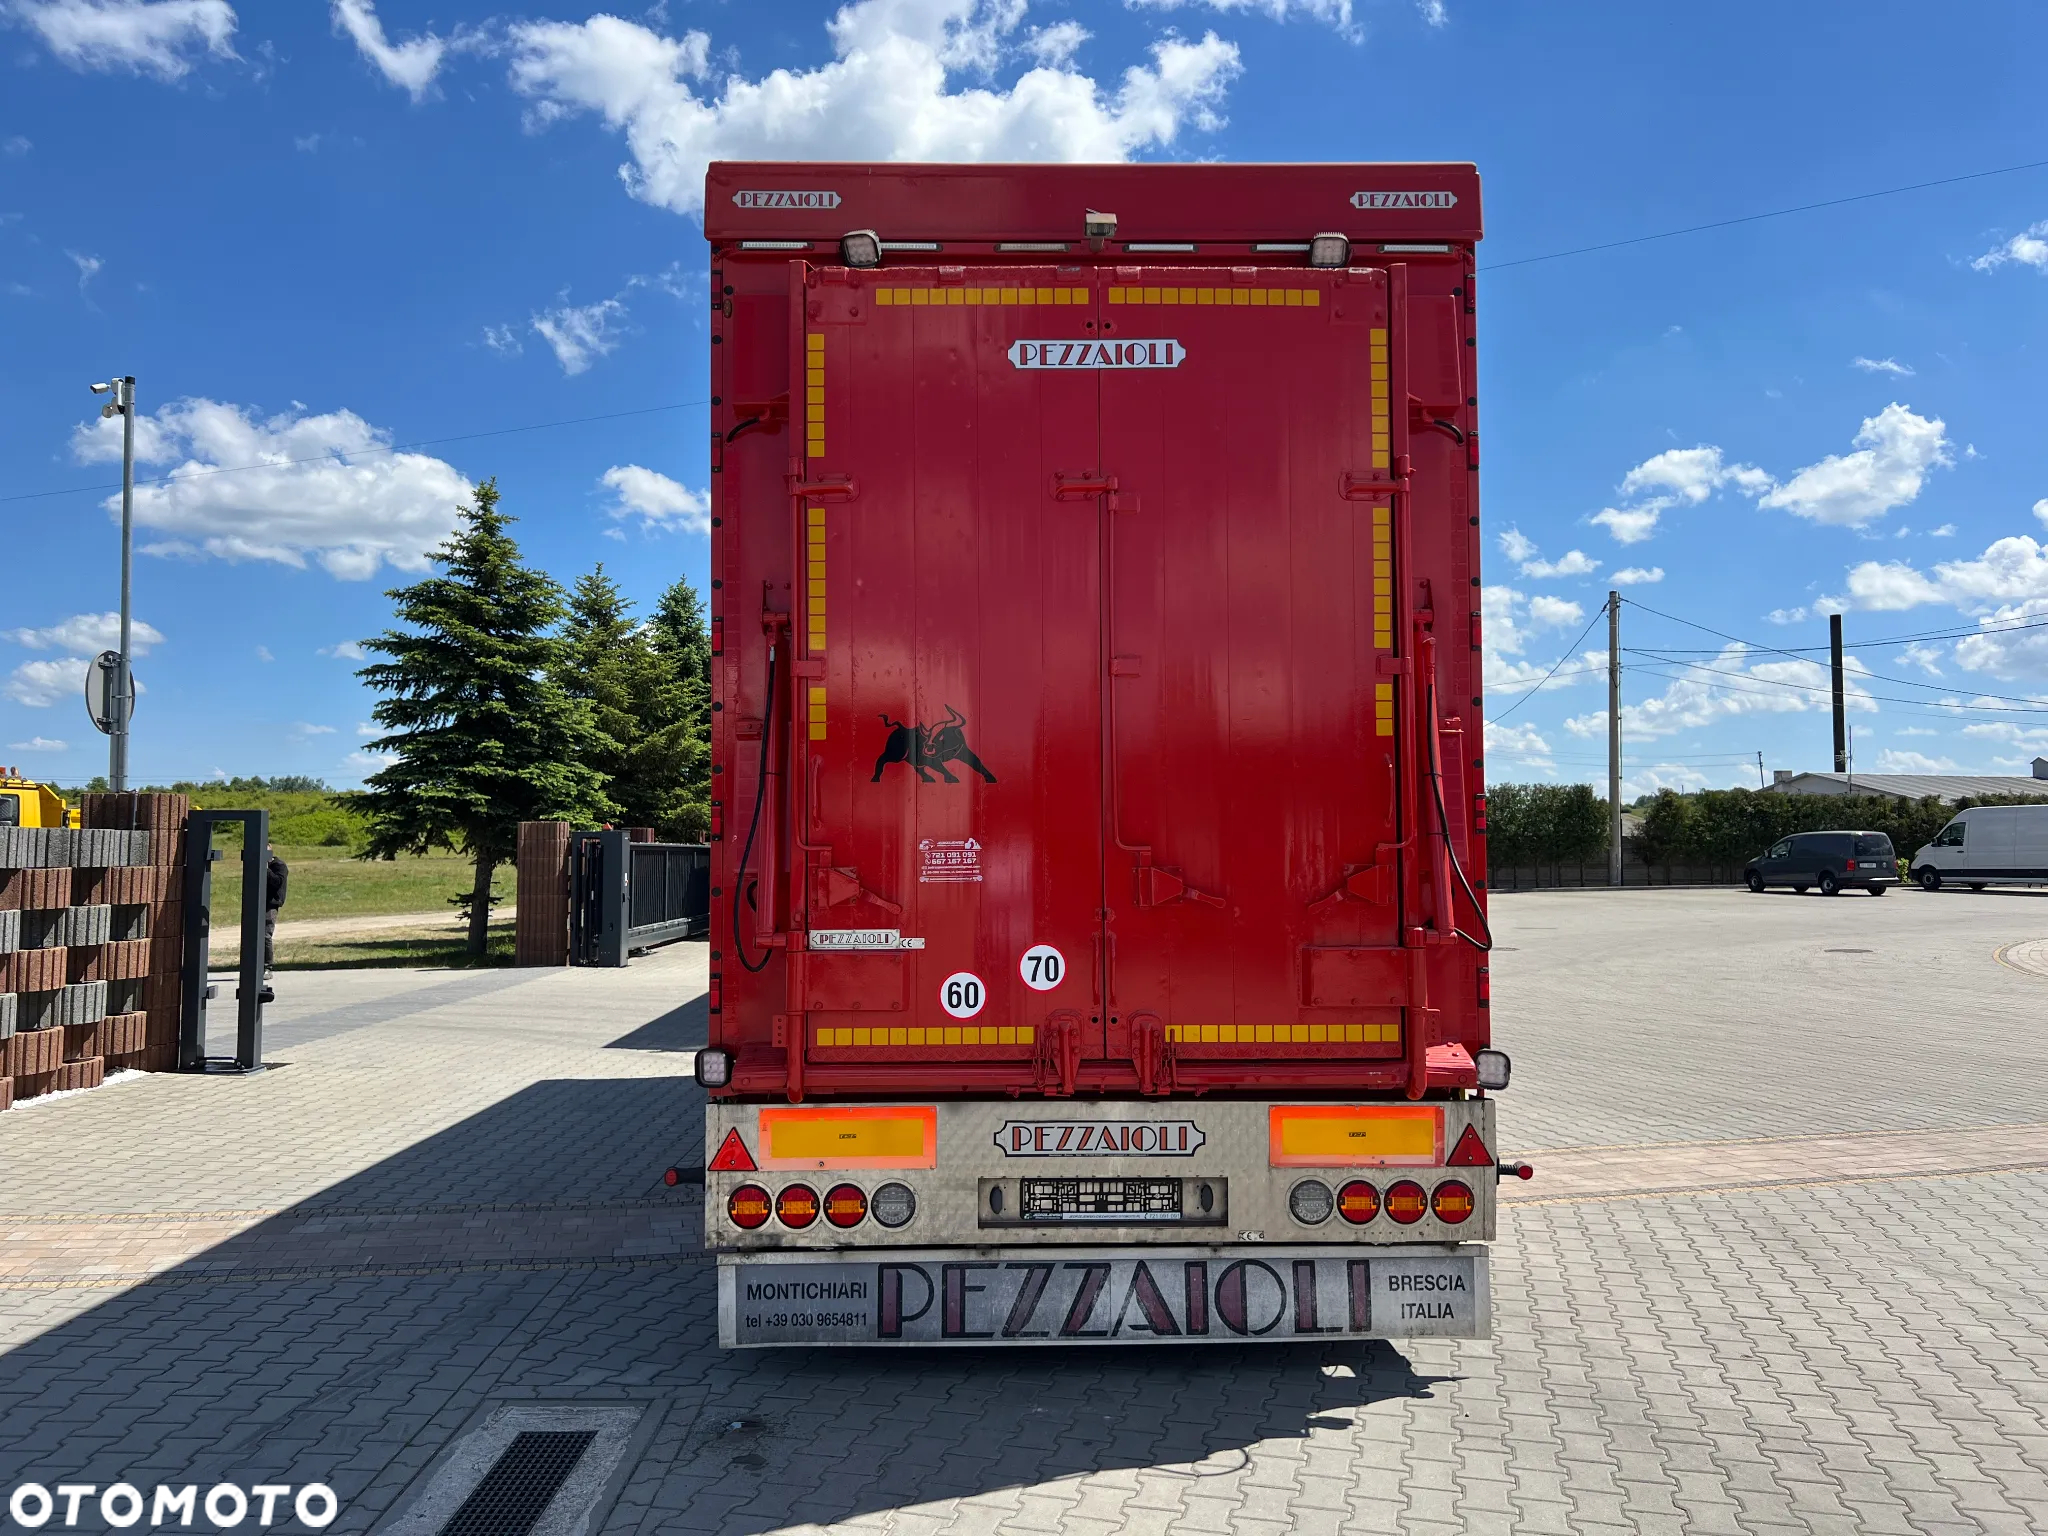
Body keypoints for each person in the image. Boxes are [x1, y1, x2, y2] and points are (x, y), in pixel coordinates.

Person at [263, 843, 289, 974]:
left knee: (265, 935)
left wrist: (266, 869)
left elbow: (278, 882)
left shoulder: (279, 866)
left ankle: (268, 966)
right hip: (259, 902)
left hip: (271, 904)